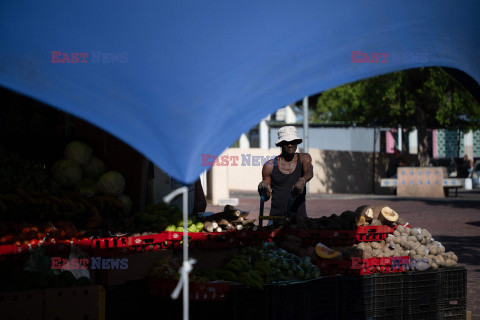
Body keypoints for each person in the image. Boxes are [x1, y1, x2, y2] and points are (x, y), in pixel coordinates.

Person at [257, 126, 313, 218]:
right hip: (276, 218)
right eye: (286, 142)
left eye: (293, 142)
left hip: (299, 219)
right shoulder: (269, 166)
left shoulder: (304, 158)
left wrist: (302, 180)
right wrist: (263, 188)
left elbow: (309, 172)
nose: (290, 145)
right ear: (280, 144)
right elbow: (266, 197)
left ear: (297, 143)